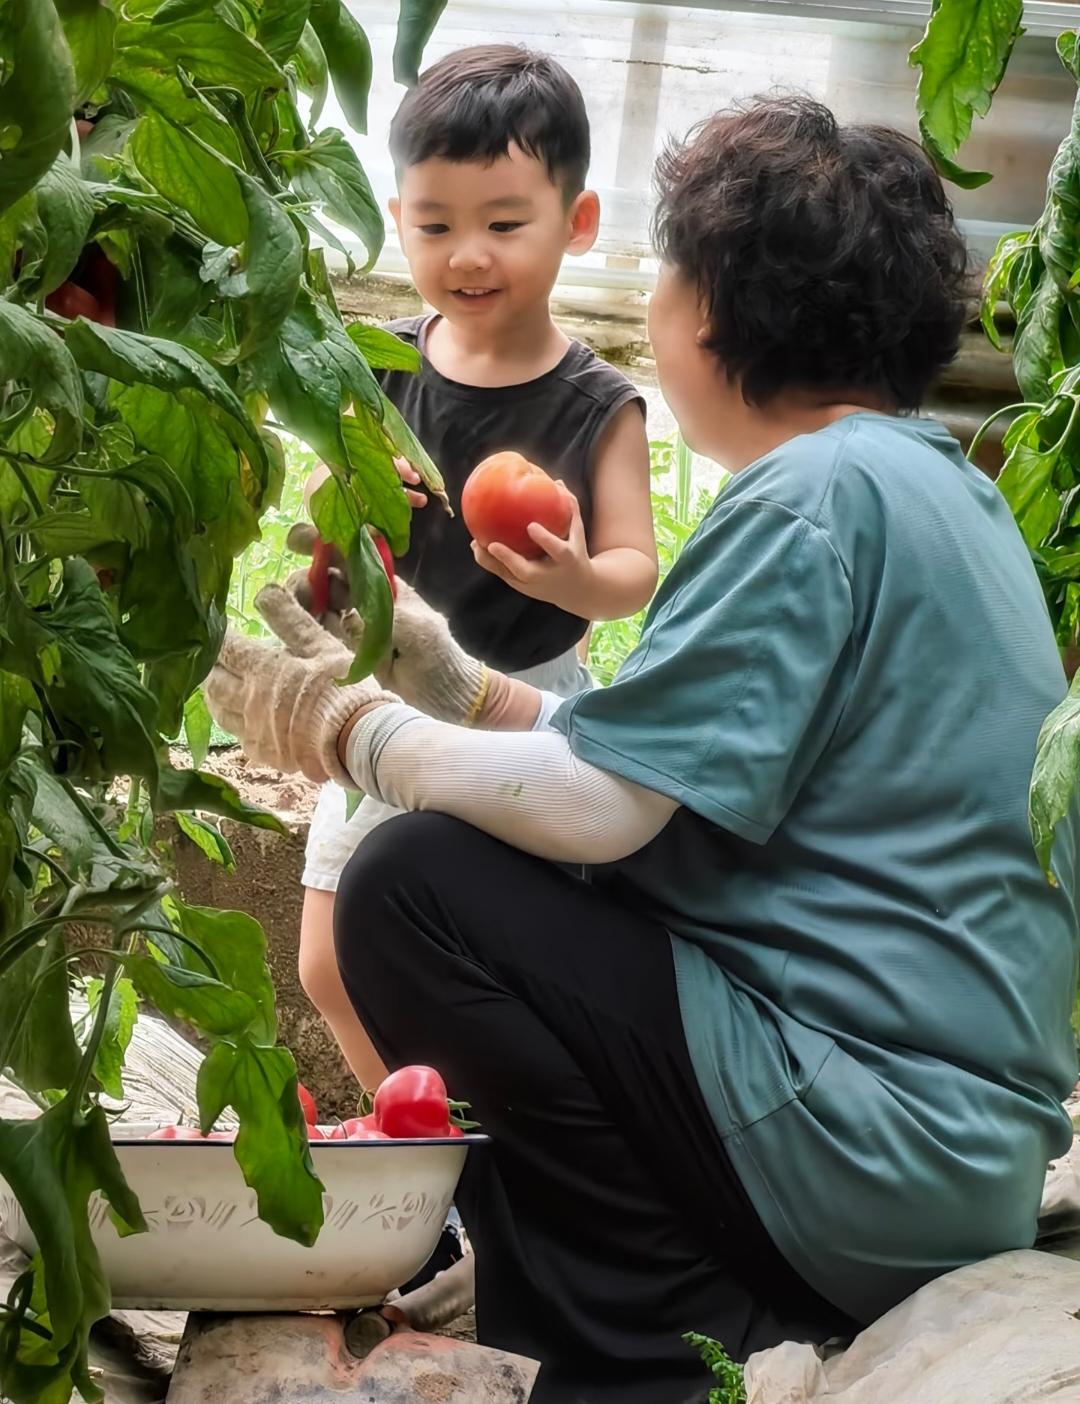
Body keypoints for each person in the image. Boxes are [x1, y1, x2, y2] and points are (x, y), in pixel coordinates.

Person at [206, 97, 1080, 1403]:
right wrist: (468, 690)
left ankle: (655, 1336)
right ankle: (630, 1287)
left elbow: (608, 812)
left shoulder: (813, 499)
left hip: (858, 1146)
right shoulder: (930, 488)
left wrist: (346, 732)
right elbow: (676, 777)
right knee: (479, 867)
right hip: (939, 1157)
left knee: (410, 889)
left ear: (715, 309)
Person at [295, 44, 657, 1096]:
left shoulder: (600, 404)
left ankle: (492, 1152)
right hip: (387, 694)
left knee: (475, 951)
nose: (468, 255)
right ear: (397, 216)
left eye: (505, 224)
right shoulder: (382, 367)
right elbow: (328, 532)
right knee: (326, 960)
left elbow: (635, 569)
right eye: (435, 224)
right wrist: (351, 513)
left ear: (577, 224)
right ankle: (425, 1149)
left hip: (524, 711)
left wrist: (574, 582)